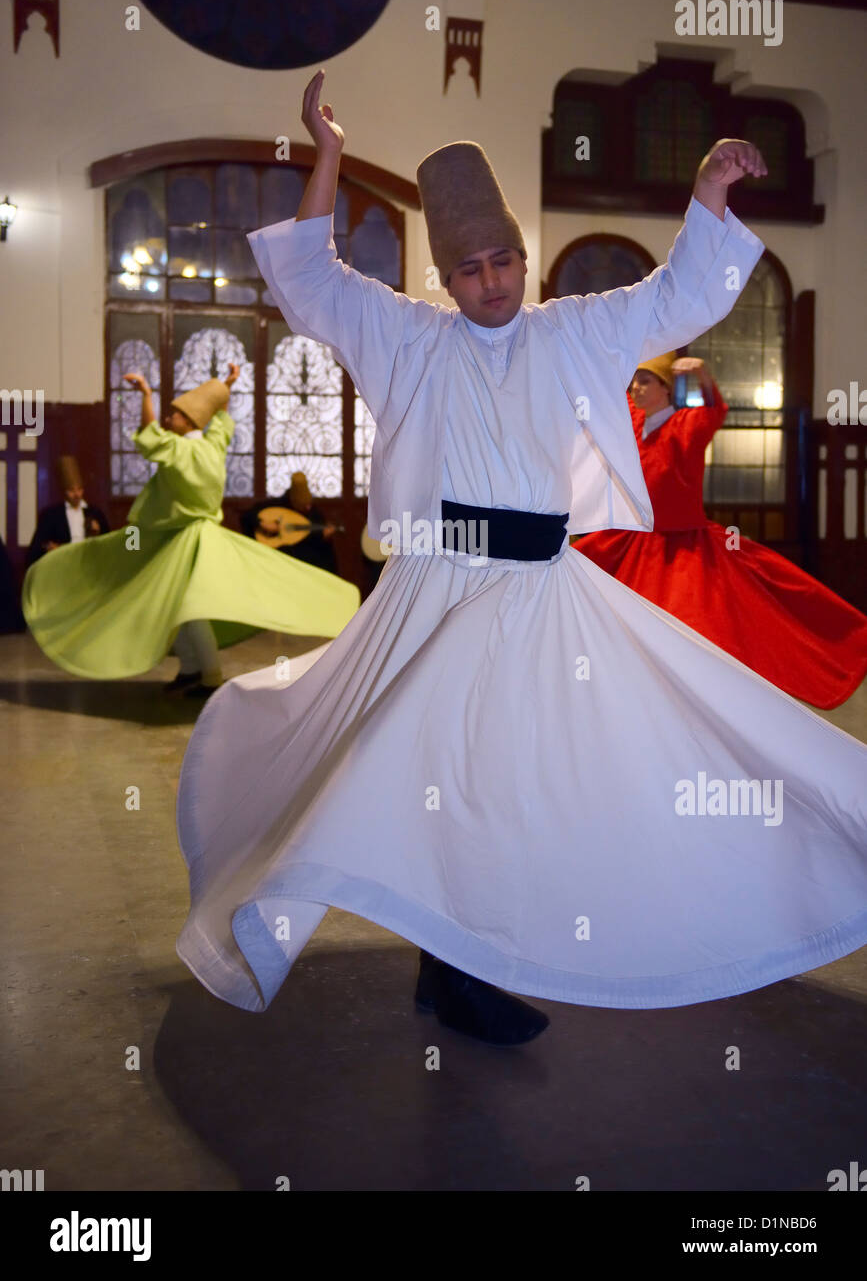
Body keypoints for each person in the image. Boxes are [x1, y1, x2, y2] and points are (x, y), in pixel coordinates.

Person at [174, 70, 867, 1048]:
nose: (491, 280)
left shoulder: (575, 330)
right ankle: (457, 965)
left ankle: (457, 959)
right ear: (445, 280)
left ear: (523, 258)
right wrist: (327, 159)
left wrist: (708, 193)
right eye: (470, 268)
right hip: (439, 585)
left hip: (543, 591)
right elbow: (315, 287)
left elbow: (674, 298)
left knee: (522, 774)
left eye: (504, 259)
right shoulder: (411, 339)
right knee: (452, 774)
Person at [22, 361, 358, 693]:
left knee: (192, 610)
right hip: (199, 538)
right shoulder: (213, 446)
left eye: (175, 415)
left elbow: (149, 439)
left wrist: (146, 396)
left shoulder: (181, 450)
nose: (169, 419)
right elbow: (223, 420)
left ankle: (210, 675)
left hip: (186, 540)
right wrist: (227, 385)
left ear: (188, 421)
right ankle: (192, 668)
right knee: (182, 606)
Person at [575, 352, 867, 709]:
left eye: (645, 380)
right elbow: (610, 392)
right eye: (634, 380)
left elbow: (716, 410)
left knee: (696, 624)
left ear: (666, 389)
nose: (635, 387)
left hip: (684, 546)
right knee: (576, 575)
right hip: (635, 539)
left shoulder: (687, 425)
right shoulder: (635, 423)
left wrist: (703, 375)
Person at [240, 471, 341, 575]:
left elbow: (318, 547)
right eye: (303, 506)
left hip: (301, 566)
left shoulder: (314, 514)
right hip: (277, 563)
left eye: (308, 505)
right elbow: (247, 516)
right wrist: (262, 524)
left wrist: (324, 537)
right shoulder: (278, 506)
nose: (307, 508)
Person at [26, 456, 110, 566]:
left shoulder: (95, 512)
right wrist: (50, 548)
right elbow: (38, 547)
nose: (76, 495)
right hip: (62, 564)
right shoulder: (51, 515)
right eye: (71, 490)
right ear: (64, 491)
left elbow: (108, 542)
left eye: (79, 490)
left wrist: (98, 530)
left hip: (89, 564)